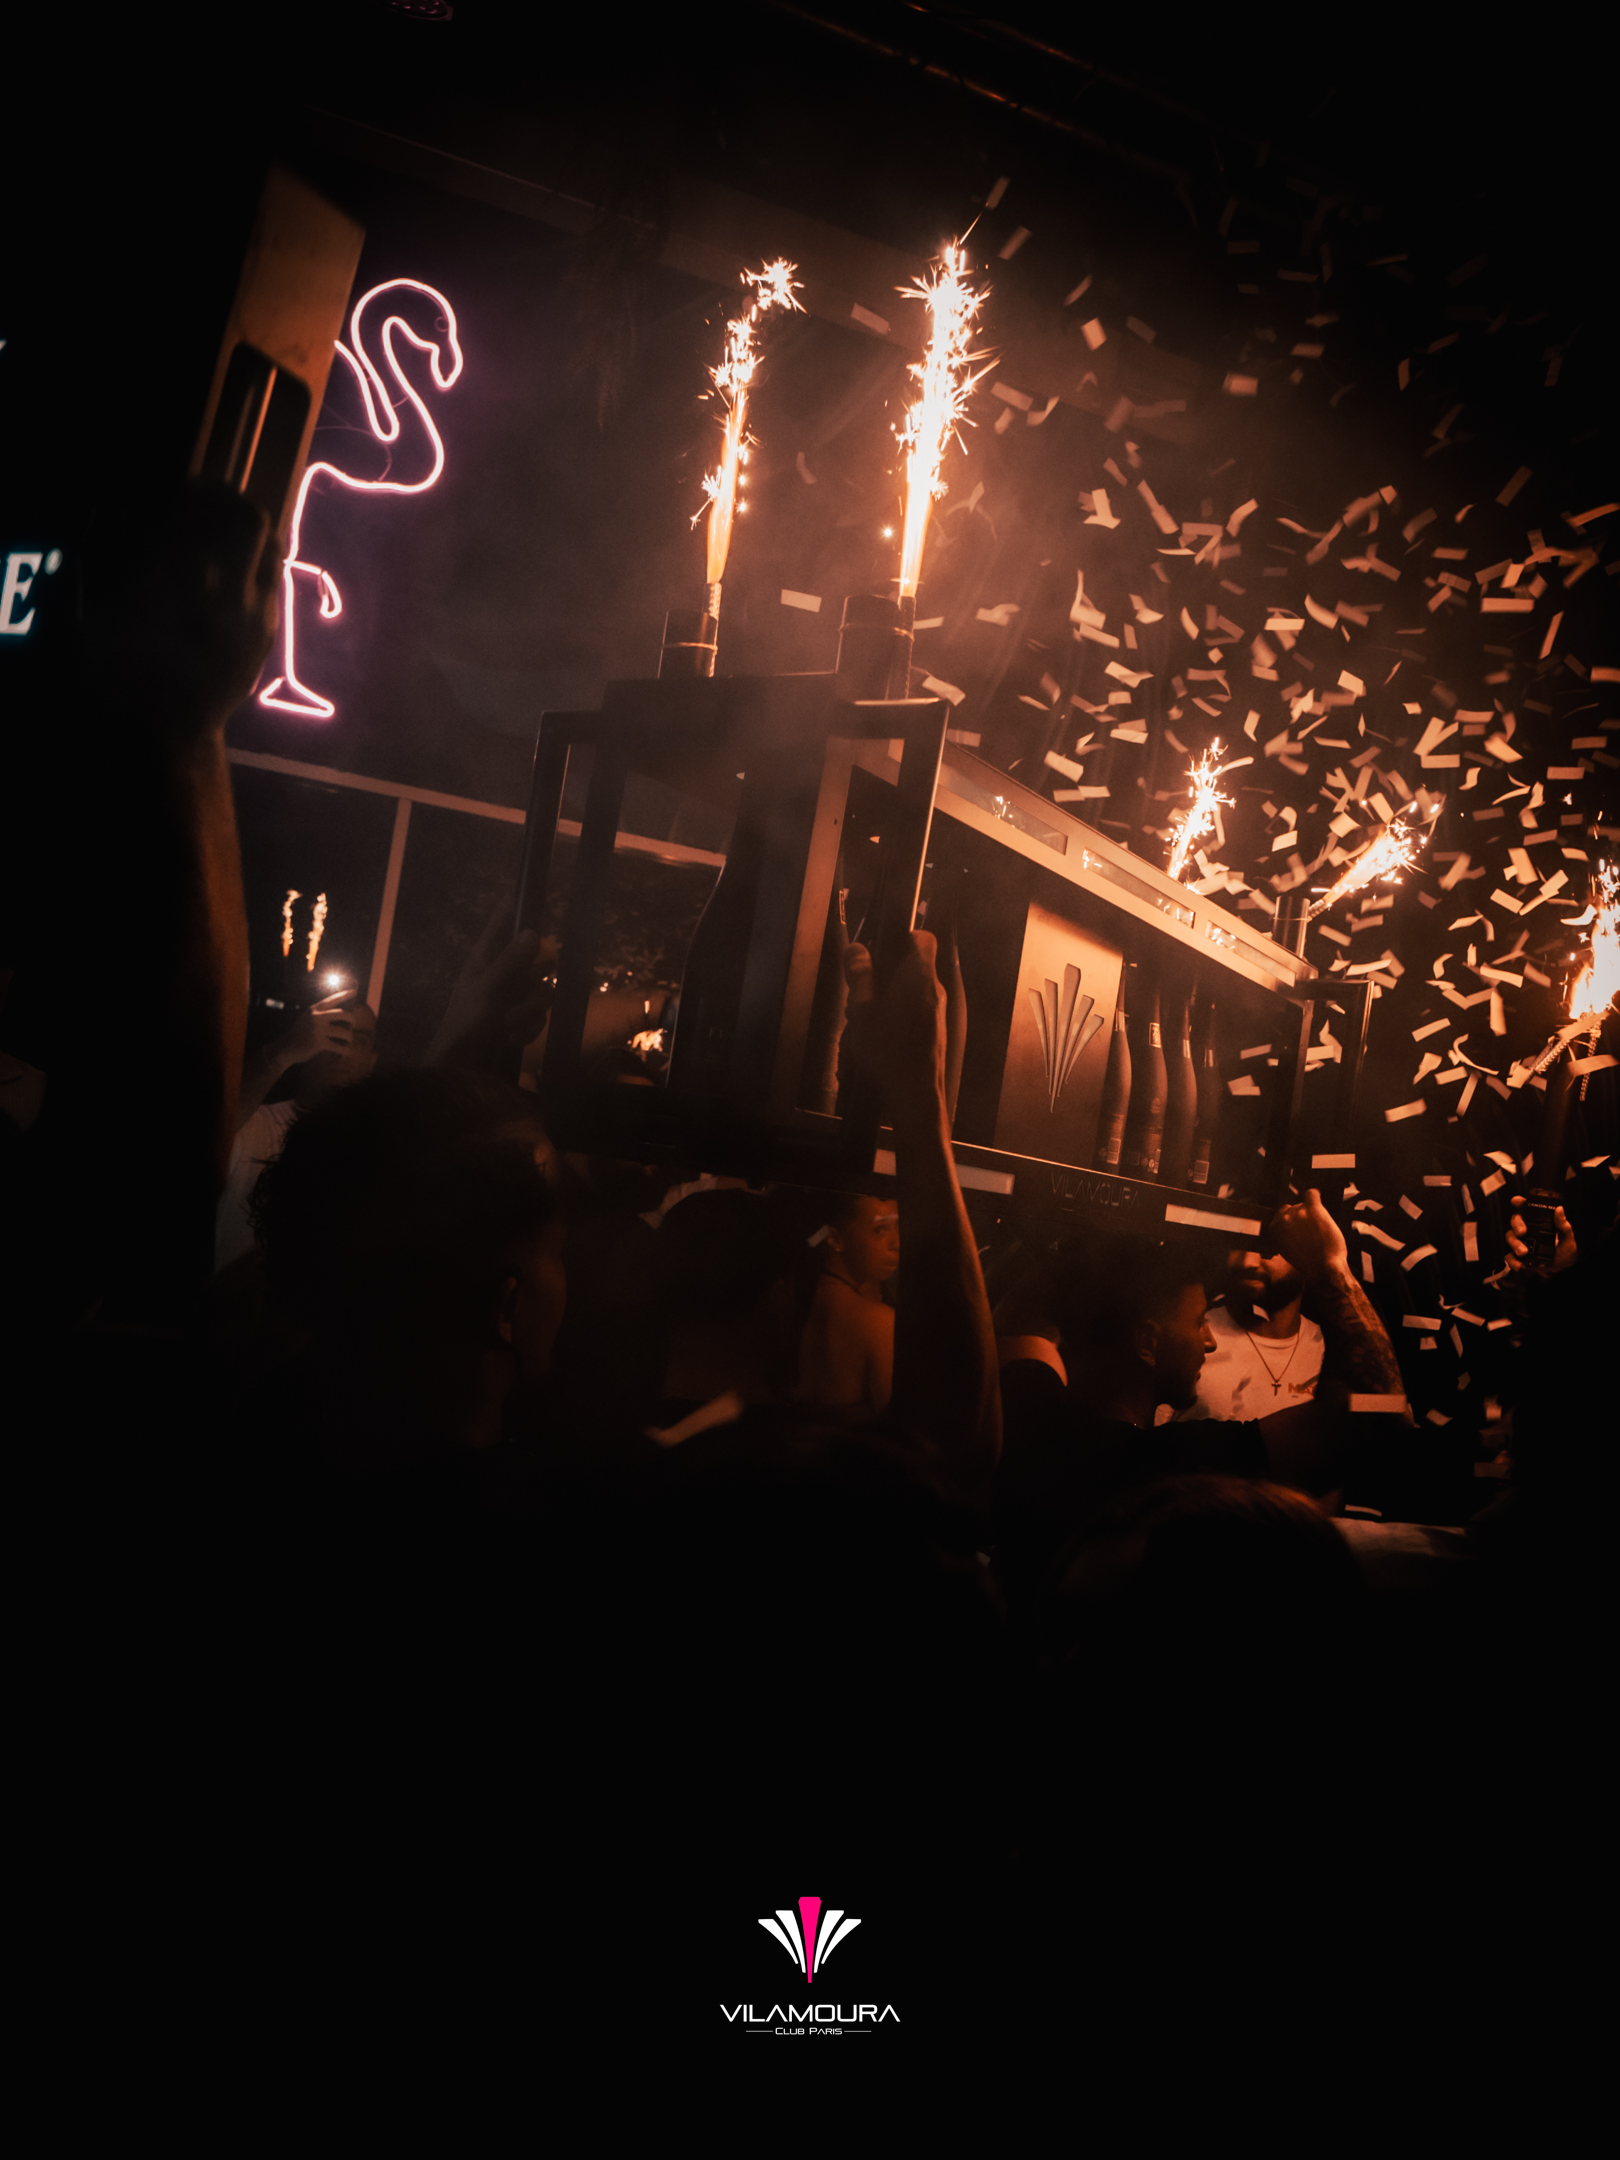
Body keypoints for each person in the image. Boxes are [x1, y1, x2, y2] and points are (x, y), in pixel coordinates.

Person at [993, 1189, 1406, 1616]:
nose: (1209, 1341)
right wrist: (1329, 1264)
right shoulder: (1172, 1475)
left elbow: (1019, 1318)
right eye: (1197, 1322)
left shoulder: (1029, 1414)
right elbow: (1377, 1410)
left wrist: (1110, 1247)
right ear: (1148, 1343)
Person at [214, 995, 377, 1270]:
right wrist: (282, 1052)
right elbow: (201, 1136)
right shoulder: (257, 1127)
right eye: (334, 1034)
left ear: (373, 1060)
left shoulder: (383, 1148)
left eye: (359, 1040)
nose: (343, 1051)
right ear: (307, 1046)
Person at [1163, 1240, 1324, 1423]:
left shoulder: (1332, 1349)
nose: (1247, 1262)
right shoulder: (1191, 1337)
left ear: (1309, 1259)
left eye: (1267, 1249)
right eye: (1237, 1243)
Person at [795, 1190, 899, 1416]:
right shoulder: (878, 1322)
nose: (896, 1243)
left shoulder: (797, 1291)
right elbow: (900, 1426)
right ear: (835, 1239)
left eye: (898, 1227)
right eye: (879, 1230)